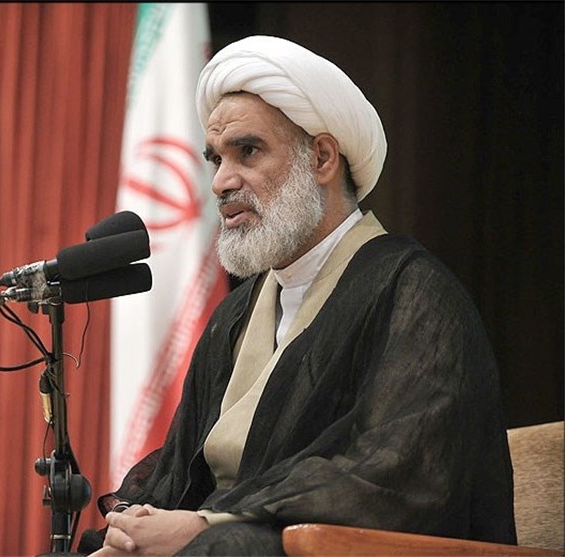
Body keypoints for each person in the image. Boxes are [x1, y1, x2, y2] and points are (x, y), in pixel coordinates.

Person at [79, 35, 516, 556]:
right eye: (215, 159)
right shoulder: (234, 317)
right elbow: (178, 471)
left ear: (323, 158)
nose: (220, 182)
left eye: (247, 151)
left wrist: (204, 526)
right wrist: (131, 534)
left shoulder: (414, 293)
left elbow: (396, 477)